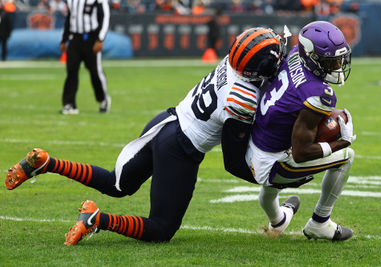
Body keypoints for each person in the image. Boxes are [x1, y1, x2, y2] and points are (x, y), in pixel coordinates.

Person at [5, 27, 286, 245]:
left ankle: (45, 163)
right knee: (161, 229)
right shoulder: (243, 98)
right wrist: (276, 176)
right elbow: (233, 162)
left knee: (117, 184)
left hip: (165, 122)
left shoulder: (231, 61)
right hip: (181, 149)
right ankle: (96, 219)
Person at [225, 21, 355, 241]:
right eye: (330, 61)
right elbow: (301, 152)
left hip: (254, 145)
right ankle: (320, 223)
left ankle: (278, 220)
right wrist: (340, 142)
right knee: (347, 158)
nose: (336, 65)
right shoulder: (319, 94)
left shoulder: (295, 54)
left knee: (274, 170)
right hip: (272, 164)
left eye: (338, 59)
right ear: (312, 56)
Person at [59, 0, 111, 114]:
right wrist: (64, 39)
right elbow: (69, 17)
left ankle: (103, 99)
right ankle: (69, 104)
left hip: (92, 38)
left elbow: (105, 16)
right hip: (75, 38)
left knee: (95, 71)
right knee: (71, 71)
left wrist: (100, 39)